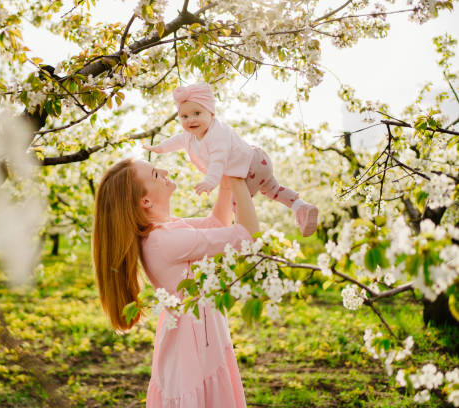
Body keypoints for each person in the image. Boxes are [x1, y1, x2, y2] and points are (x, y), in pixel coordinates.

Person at [93, 157, 259, 407]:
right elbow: (248, 235)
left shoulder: (163, 231)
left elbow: (216, 225)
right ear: (145, 201)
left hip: (200, 347)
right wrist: (237, 179)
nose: (165, 170)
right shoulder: (163, 241)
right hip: (192, 358)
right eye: (156, 174)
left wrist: (225, 182)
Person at [143, 82, 319, 237]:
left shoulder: (217, 134)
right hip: (259, 160)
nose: (191, 120)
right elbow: (177, 140)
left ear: (211, 114)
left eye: (197, 113)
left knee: (236, 203)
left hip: (248, 169)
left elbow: (218, 160)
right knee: (273, 189)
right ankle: (300, 206)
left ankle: (241, 236)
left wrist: (210, 182)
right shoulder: (191, 135)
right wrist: (160, 148)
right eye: (185, 117)